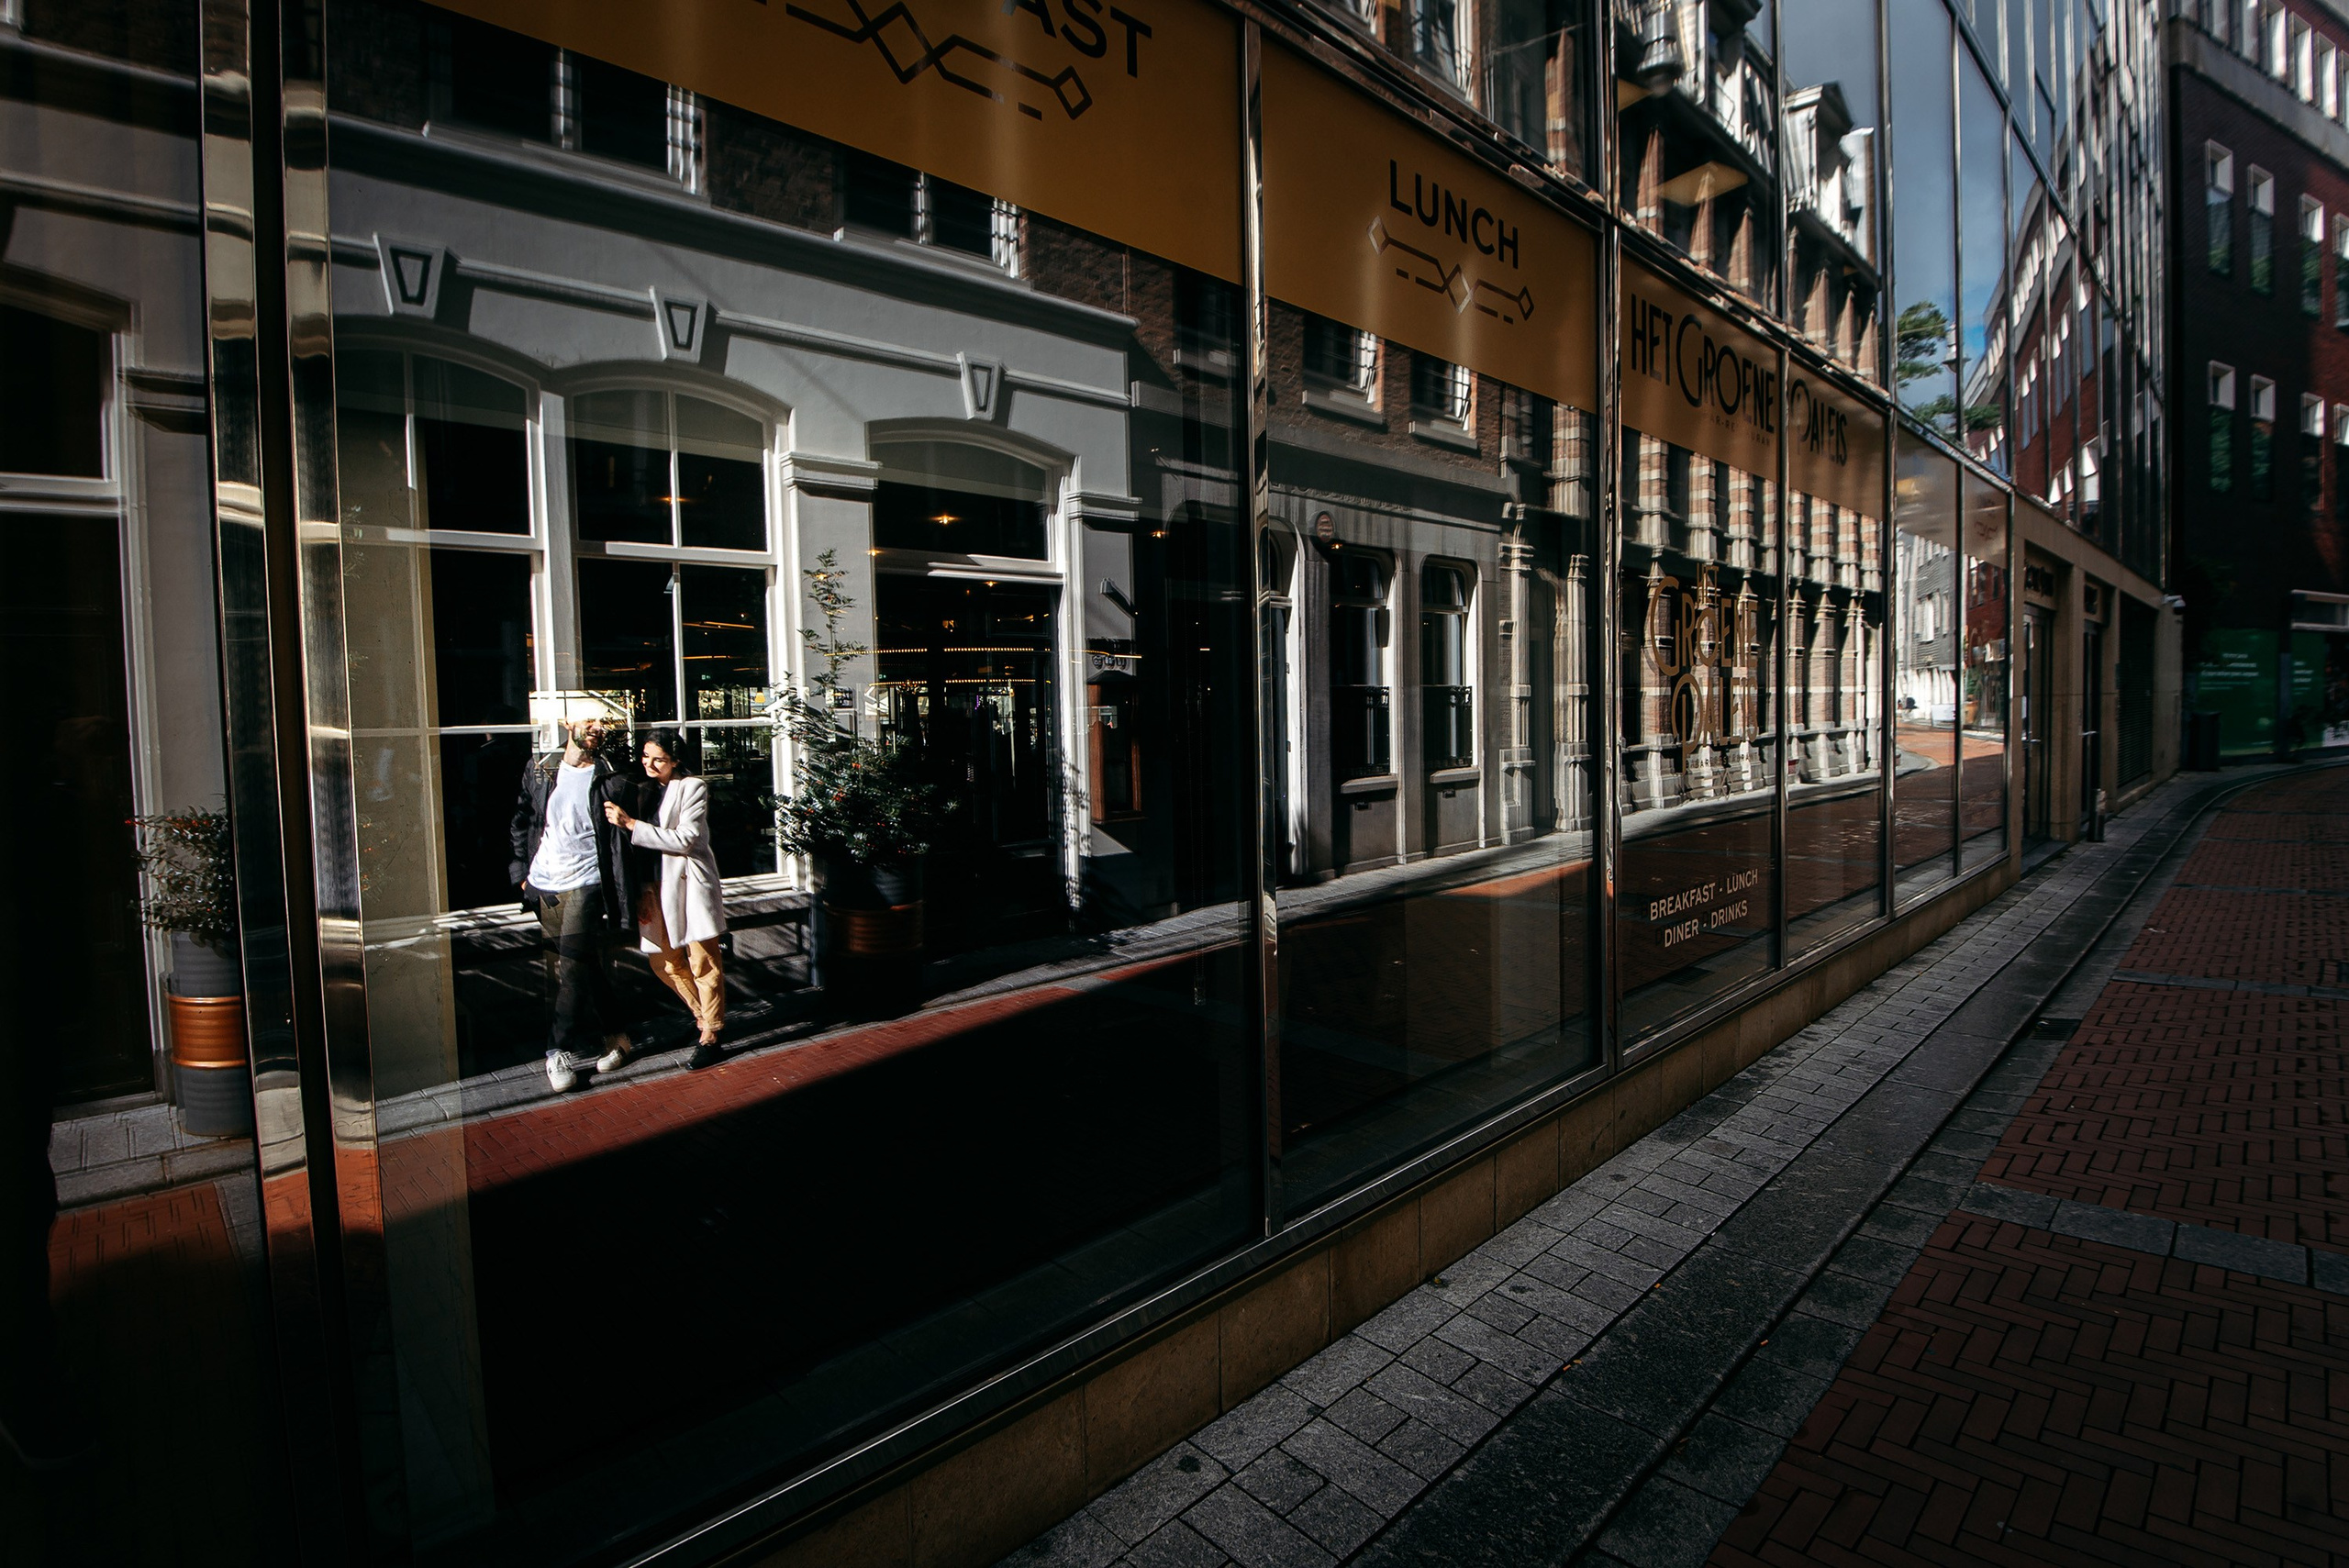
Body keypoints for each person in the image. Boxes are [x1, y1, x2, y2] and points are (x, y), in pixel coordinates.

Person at [511, 710, 651, 1092]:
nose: (597, 728)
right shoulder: (542, 769)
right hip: (544, 883)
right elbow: (523, 820)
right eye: (589, 720)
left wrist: (635, 889)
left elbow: (633, 835)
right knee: (582, 964)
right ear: (567, 723)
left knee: (569, 970)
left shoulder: (613, 775)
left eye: (603, 722)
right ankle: (618, 1037)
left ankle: (558, 1051)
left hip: (587, 881)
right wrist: (521, 874)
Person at [606, 729, 729, 1070]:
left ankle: (711, 1035)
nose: (649, 763)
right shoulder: (641, 790)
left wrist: (632, 824)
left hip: (689, 884)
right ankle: (703, 1018)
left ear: (675, 760)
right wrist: (642, 890)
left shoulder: (693, 787)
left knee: (703, 960)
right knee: (664, 960)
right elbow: (634, 853)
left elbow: (686, 839)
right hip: (655, 886)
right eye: (645, 756)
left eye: (658, 758)